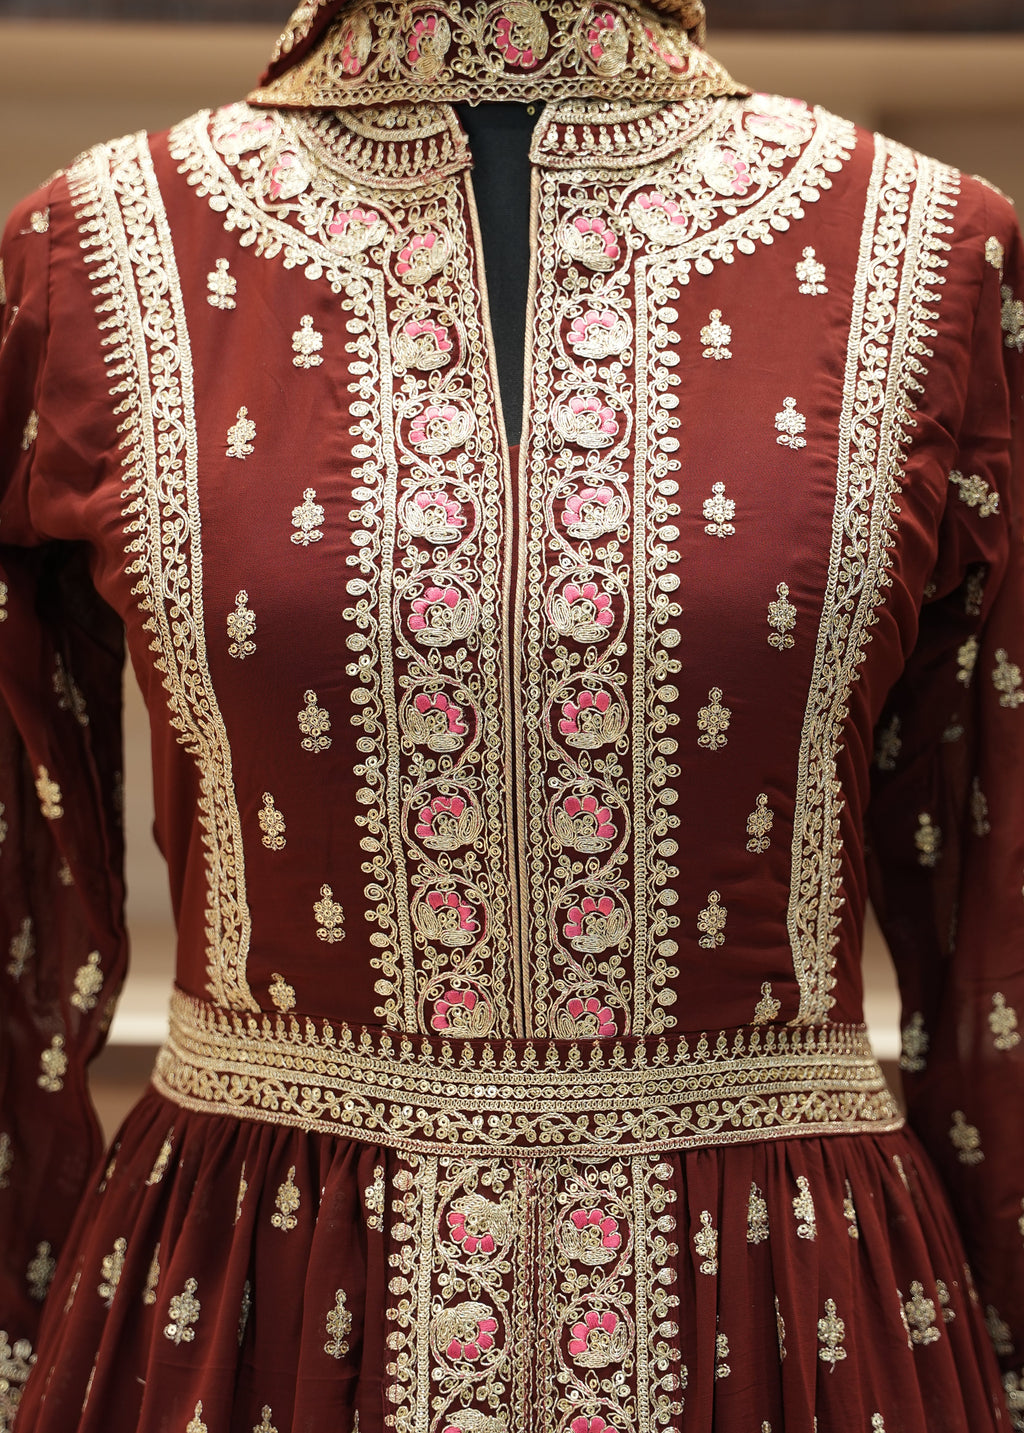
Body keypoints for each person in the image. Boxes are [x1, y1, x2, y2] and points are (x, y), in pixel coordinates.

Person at [1, 1, 1022, 1429]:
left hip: (786, 1308)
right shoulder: (91, 252)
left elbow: (998, 891)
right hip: (262, 1302)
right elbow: (19, 884)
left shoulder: (931, 249)